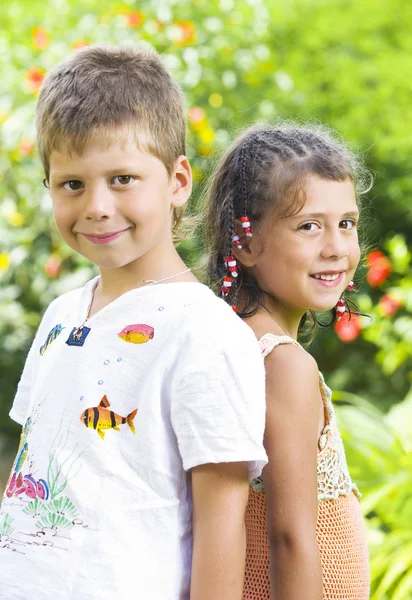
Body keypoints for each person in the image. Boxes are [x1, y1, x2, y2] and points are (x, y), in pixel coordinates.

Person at [0, 45, 268, 600]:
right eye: (72, 184)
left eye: (122, 178)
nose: (96, 205)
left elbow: (222, 522)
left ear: (176, 181)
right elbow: (33, 474)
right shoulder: (61, 314)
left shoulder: (206, 334)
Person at [204, 123, 370, 600]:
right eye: (309, 226)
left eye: (347, 223)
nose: (336, 247)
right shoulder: (283, 365)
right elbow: (291, 538)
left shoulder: (230, 340)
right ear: (246, 243)